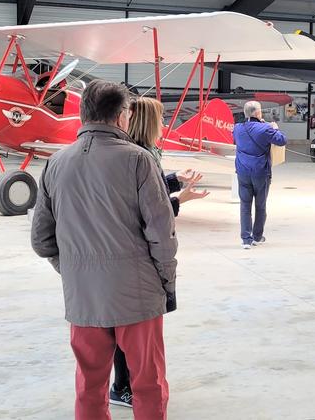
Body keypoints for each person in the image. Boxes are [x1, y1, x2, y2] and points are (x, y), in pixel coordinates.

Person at [31, 81, 177, 420]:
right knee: (148, 384)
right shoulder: (140, 161)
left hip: (83, 299)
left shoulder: (55, 164)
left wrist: (74, 269)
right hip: (138, 297)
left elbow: (41, 241)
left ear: (83, 113)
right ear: (122, 117)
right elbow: (162, 236)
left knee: (90, 387)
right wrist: (165, 283)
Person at [103, 97, 207, 409]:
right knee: (133, 329)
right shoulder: (140, 155)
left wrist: (175, 180)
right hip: (139, 256)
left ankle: (126, 384)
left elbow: (152, 190)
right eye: (162, 119)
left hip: (128, 257)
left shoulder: (141, 153)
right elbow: (150, 209)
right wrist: (180, 200)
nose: (165, 126)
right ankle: (124, 386)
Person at [233, 101, 287, 249]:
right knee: (260, 205)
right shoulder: (265, 129)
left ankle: (246, 239)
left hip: (243, 171)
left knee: (245, 205)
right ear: (258, 113)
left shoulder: (237, 128)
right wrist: (275, 128)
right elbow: (282, 140)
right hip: (260, 172)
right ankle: (257, 236)